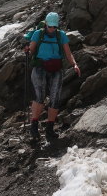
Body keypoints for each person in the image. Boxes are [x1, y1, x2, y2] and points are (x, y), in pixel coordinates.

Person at [26, 12, 80, 141]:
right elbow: (31, 51)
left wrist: (74, 65)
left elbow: (68, 53)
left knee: (55, 98)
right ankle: (34, 126)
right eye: (50, 26)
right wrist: (27, 51)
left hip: (56, 69)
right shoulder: (38, 34)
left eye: (54, 27)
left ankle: (50, 129)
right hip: (40, 67)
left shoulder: (60, 35)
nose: (52, 29)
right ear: (46, 24)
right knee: (40, 97)